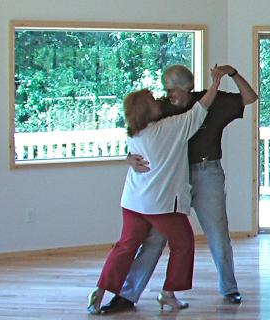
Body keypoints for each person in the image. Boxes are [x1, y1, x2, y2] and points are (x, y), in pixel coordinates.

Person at [100, 64, 258, 314]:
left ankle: (229, 288)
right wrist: (127, 157)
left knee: (218, 234)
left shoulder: (213, 101)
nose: (168, 96)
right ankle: (127, 295)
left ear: (187, 88)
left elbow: (250, 98)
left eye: (172, 90)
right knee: (153, 240)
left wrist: (233, 74)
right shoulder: (160, 108)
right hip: (171, 181)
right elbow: (135, 130)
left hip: (207, 173)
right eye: (166, 91)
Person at [87, 71, 222, 314]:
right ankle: (168, 294)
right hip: (161, 205)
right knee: (183, 244)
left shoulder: (133, 132)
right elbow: (201, 108)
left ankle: (100, 290)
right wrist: (216, 84)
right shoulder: (168, 129)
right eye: (153, 99)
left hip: (132, 202)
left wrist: (126, 159)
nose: (159, 98)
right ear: (148, 110)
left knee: (124, 247)